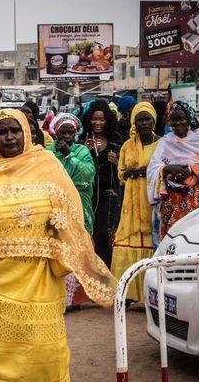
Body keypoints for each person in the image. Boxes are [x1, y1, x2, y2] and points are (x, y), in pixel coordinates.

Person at [0, 108, 116, 381]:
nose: (10, 137)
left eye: (15, 130)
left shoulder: (46, 164)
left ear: (27, 132)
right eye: (2, 132)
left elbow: (70, 211)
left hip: (40, 276)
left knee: (46, 352)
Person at [147, 102, 199, 240]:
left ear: (189, 119)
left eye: (181, 118)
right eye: (173, 119)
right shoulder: (166, 141)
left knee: (197, 233)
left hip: (197, 196)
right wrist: (169, 168)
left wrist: (192, 170)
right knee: (174, 236)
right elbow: (153, 168)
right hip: (172, 199)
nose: (178, 123)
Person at [112, 102, 160, 305]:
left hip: (151, 199)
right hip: (131, 202)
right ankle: (129, 292)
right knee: (127, 239)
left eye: (146, 119)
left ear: (153, 121)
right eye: (139, 119)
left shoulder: (162, 143)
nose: (143, 123)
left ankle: (151, 293)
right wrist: (133, 173)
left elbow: (162, 169)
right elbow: (121, 174)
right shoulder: (127, 146)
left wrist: (144, 171)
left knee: (151, 239)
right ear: (134, 122)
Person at [47, 113, 96, 309]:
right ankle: (58, 296)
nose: (67, 136)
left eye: (70, 132)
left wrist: (69, 154)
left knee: (78, 248)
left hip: (78, 207)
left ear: (76, 134)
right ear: (56, 133)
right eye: (63, 132)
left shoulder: (81, 151)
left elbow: (87, 174)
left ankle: (76, 298)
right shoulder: (47, 152)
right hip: (54, 208)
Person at [82, 100, 123, 267]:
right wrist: (84, 151)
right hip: (88, 195)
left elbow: (124, 168)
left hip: (108, 195)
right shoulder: (82, 139)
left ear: (108, 121)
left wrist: (116, 162)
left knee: (104, 233)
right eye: (94, 119)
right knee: (88, 234)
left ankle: (106, 269)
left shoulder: (116, 139)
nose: (97, 123)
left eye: (102, 119)